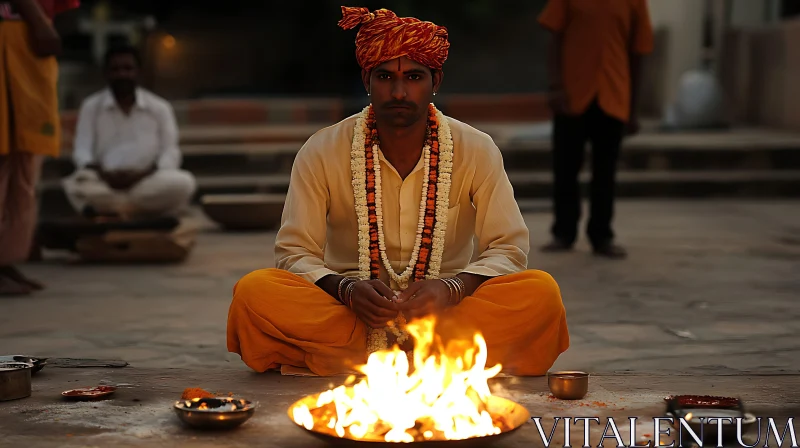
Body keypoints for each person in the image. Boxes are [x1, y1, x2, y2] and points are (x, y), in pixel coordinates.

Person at [227, 7, 570, 377]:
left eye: (415, 76)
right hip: (351, 311)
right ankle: (440, 360)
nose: (400, 91)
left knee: (541, 294)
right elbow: (295, 252)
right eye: (386, 76)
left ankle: (362, 360)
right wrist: (346, 290)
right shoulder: (322, 149)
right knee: (254, 293)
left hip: (446, 311)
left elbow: (508, 247)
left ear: (435, 80)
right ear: (367, 81)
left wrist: (451, 289)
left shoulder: (475, 148)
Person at [538, 0, 654, 259]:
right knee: (565, 168)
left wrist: (632, 109)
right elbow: (554, 38)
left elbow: (638, 53)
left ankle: (602, 236)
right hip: (573, 94)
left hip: (613, 96)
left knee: (606, 171)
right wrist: (556, 86)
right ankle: (563, 233)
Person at [0, 0, 79, 296]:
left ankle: (5, 261)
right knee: (5, 157)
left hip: (23, 37)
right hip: (12, 35)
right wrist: (38, 21)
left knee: (23, 162)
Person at [62, 45, 196, 219]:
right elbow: (81, 150)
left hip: (146, 180)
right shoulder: (91, 107)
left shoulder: (159, 107)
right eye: (115, 69)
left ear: (138, 72)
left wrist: (141, 175)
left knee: (184, 183)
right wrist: (103, 173)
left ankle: (114, 209)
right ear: (106, 73)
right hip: (105, 181)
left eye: (128, 69)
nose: (122, 74)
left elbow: (170, 152)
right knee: (75, 185)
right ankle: (139, 209)